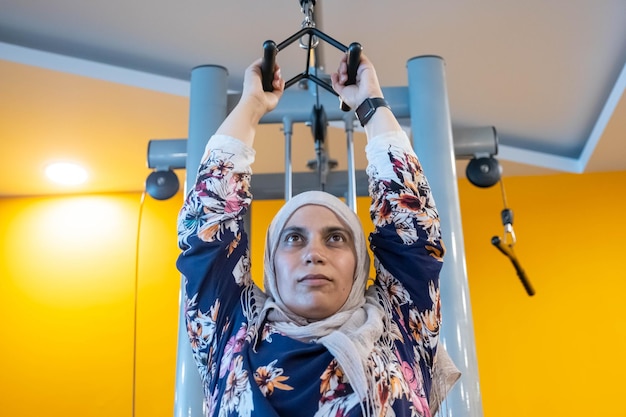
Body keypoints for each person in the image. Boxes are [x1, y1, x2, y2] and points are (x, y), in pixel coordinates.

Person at [176, 52, 460, 417]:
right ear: (271, 263)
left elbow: (412, 222)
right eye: (293, 238)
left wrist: (370, 103)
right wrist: (250, 104)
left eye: (336, 238)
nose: (314, 253)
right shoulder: (230, 330)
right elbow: (206, 228)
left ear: (359, 262)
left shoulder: (400, 324)